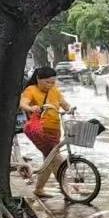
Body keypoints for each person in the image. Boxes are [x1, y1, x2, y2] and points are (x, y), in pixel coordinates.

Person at [19, 65, 72, 198]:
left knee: (48, 159)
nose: (50, 85)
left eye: (52, 82)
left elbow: (64, 104)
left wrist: (70, 108)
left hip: (55, 130)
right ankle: (66, 189)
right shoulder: (31, 90)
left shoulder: (55, 90)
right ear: (38, 79)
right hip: (38, 130)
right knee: (55, 157)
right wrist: (32, 108)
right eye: (47, 82)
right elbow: (23, 103)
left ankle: (39, 189)